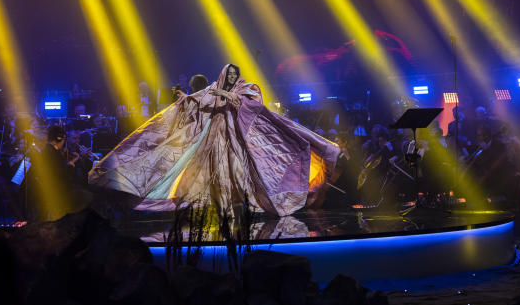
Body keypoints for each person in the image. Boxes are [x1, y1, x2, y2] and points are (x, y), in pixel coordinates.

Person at [89, 64, 340, 215]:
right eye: (228, 75)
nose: (231, 78)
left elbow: (246, 103)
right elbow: (197, 102)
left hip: (236, 141)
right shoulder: (210, 92)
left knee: (242, 173)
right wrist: (184, 98)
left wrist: (223, 93)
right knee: (208, 173)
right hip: (214, 140)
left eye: (233, 75)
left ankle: (241, 206)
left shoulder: (241, 88)